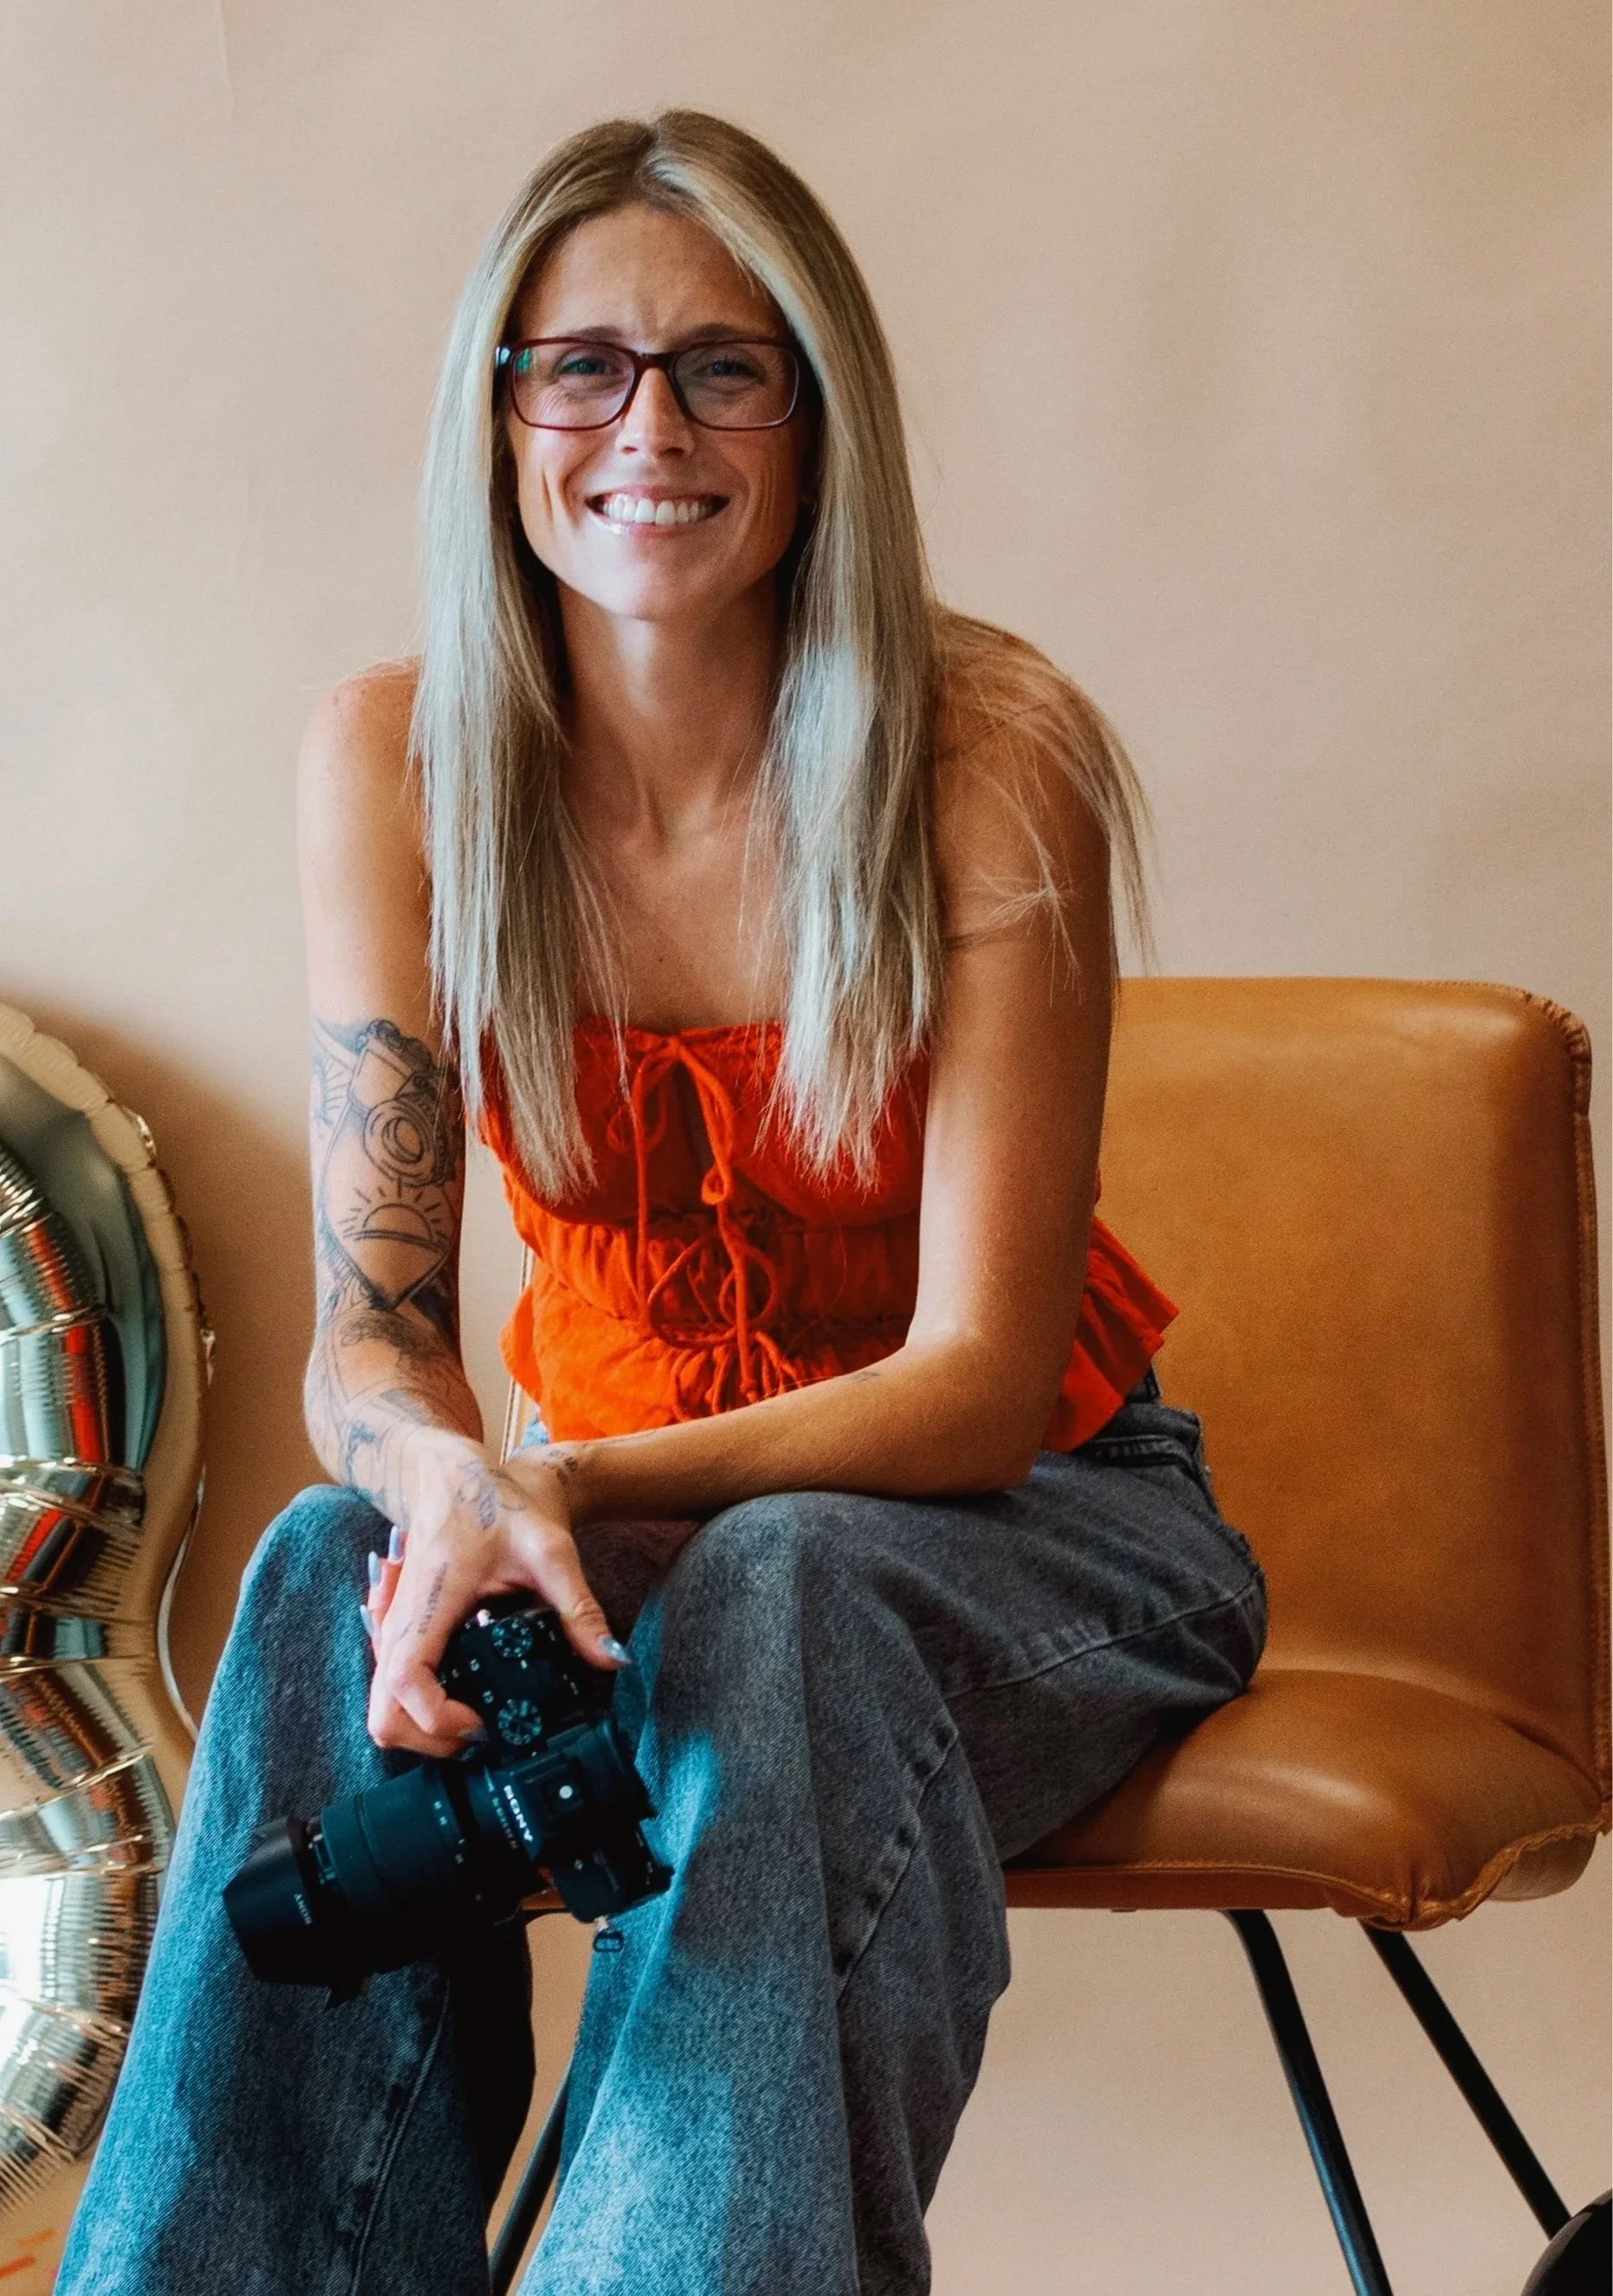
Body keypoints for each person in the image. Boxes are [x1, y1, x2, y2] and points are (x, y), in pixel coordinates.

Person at [58, 109, 1266, 2296]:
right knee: (336, 1546)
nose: (650, 426)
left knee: (783, 1588)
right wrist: (448, 1480)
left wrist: (556, 1476)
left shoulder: (993, 748)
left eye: (729, 365)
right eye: (581, 365)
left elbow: (985, 1383)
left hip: (1050, 1525)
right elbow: (379, 1321)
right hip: (614, 1534)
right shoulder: (398, 757)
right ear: (498, 412)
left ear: (817, 423)